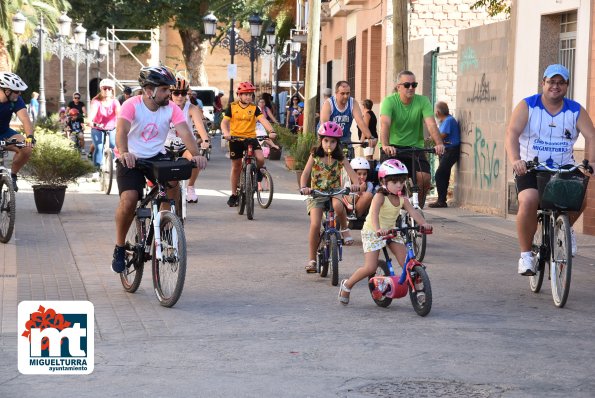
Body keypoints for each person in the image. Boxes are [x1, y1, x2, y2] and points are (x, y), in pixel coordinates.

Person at [112, 66, 207, 273]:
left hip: (157, 156)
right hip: (131, 158)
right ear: (148, 90)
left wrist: (196, 153)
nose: (169, 94)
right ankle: (119, 247)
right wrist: (125, 152)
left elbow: (185, 132)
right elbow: (121, 131)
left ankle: (163, 226)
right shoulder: (131, 105)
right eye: (164, 89)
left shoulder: (170, 108)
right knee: (129, 199)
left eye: (169, 89)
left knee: (173, 185)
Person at [505, 63, 595, 275]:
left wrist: (590, 162)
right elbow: (512, 133)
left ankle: (564, 229)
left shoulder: (575, 109)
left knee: (580, 199)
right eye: (551, 82)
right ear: (543, 83)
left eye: (560, 82)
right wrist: (516, 159)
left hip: (564, 168)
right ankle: (526, 256)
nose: (555, 86)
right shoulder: (528, 106)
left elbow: (591, 135)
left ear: (567, 85)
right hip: (531, 167)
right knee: (528, 201)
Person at [338, 159, 432, 304]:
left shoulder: (403, 198)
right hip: (372, 231)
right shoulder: (379, 196)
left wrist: (424, 223)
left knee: (407, 263)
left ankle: (419, 290)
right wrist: (377, 229)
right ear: (383, 181)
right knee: (370, 267)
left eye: (401, 181)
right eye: (394, 182)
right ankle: (347, 285)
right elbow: (374, 214)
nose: (399, 185)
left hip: (391, 231)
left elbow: (414, 213)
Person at [300, 121, 365, 273]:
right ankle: (312, 260)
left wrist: (356, 185)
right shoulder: (314, 154)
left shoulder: (340, 157)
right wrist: (304, 187)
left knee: (337, 206)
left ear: (338, 143)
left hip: (335, 191)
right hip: (316, 193)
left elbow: (353, 176)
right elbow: (305, 174)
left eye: (333, 141)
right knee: (315, 224)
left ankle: (344, 229)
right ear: (320, 140)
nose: (329, 144)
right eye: (326, 140)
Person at [379, 70, 445, 208]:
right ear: (398, 87)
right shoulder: (389, 102)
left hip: (414, 147)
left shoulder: (423, 101)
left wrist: (439, 144)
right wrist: (385, 145)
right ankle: (391, 209)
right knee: (391, 180)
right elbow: (385, 124)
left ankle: (417, 210)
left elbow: (431, 124)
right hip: (393, 147)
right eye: (407, 85)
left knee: (424, 179)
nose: (411, 88)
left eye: (414, 85)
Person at [221, 81, 276, 207]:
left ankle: (257, 174)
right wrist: (226, 133)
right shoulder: (232, 107)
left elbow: (263, 120)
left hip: (251, 138)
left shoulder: (254, 108)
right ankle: (234, 194)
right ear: (239, 95)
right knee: (236, 166)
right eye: (245, 94)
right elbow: (224, 123)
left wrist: (271, 131)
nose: (248, 97)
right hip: (235, 139)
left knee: (261, 159)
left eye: (250, 94)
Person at [166, 77, 211, 203]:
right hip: (165, 146)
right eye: (176, 93)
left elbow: (199, 126)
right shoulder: (164, 107)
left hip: (185, 146)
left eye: (183, 93)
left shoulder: (191, 108)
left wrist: (205, 140)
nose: (180, 96)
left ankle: (190, 186)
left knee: (195, 159)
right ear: (170, 93)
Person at [0, 72, 35, 191]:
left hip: (5, 133)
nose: (19, 93)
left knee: (26, 147)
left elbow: (25, 119)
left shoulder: (15, 100)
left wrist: (30, 137)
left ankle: (13, 176)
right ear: (7, 90)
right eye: (17, 91)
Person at [428, 101, 460, 208]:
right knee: (444, 175)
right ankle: (442, 200)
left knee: (439, 174)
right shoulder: (445, 121)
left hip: (451, 150)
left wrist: (432, 137)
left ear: (437, 112)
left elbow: (442, 135)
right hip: (447, 150)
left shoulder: (448, 120)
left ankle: (441, 200)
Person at [88, 78, 120, 170]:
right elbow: (92, 113)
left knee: (113, 145)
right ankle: (97, 169)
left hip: (112, 127)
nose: (107, 90)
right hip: (98, 128)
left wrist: (120, 123)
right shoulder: (96, 101)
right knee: (99, 146)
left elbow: (119, 114)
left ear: (112, 90)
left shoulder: (115, 102)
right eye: (105, 88)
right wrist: (90, 121)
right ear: (101, 89)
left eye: (109, 89)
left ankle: (112, 161)